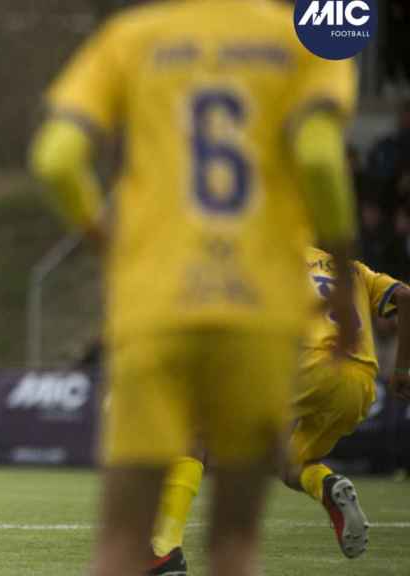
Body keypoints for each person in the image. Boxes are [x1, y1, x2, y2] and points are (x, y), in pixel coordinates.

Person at [29, 1, 359, 575]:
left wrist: (102, 238)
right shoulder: (305, 43)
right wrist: (345, 275)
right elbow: (321, 160)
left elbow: (57, 160)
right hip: (259, 310)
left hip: (156, 303)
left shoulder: (128, 39)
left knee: (120, 544)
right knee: (235, 544)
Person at [145, 247, 410, 574]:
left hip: (306, 363)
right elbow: (405, 296)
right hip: (362, 382)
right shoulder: (355, 270)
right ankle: (327, 487)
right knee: (292, 461)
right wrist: (402, 371)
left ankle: (164, 550)